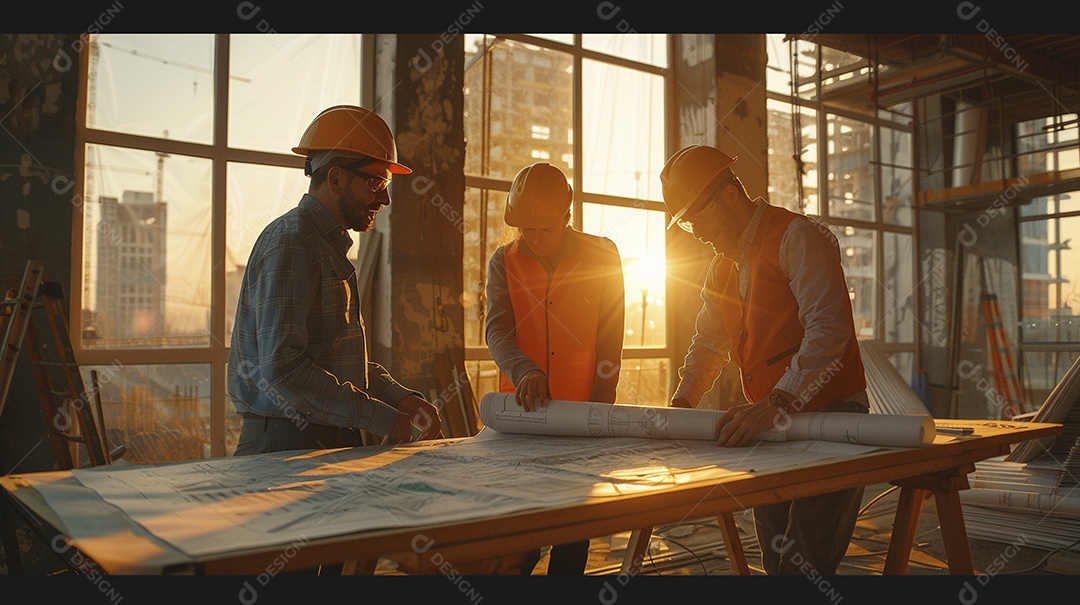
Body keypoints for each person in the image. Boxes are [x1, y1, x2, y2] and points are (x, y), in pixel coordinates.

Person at [661, 144, 868, 576]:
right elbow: (707, 345)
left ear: (729, 196)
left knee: (804, 563)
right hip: (770, 426)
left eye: (696, 215)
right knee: (776, 561)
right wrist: (681, 404)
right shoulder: (720, 268)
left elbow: (828, 331)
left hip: (831, 419)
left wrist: (776, 402)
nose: (694, 230)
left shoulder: (797, 237)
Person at [228, 104, 442, 459]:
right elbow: (283, 371)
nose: (385, 198)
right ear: (337, 178)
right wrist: (381, 417)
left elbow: (336, 363)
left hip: (313, 440)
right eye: (377, 182)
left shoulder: (325, 247)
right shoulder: (293, 242)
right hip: (285, 445)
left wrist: (400, 399)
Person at [484, 162, 625, 574]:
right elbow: (497, 331)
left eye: (544, 228)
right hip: (521, 415)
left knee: (572, 533)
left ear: (567, 216)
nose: (534, 238)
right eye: (525, 228)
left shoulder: (603, 255)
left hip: (579, 414)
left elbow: (610, 337)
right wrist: (524, 370)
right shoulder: (503, 262)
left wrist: (602, 407)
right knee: (518, 534)